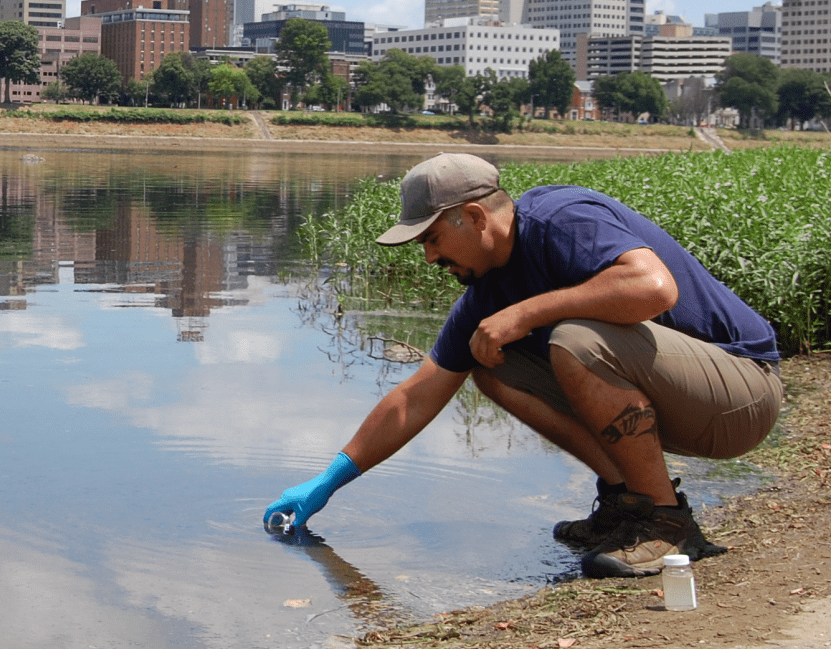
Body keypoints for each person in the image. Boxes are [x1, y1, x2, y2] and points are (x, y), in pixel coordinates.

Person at [264, 152, 782, 578]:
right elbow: (413, 396)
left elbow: (653, 287)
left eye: (431, 239)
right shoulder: (484, 292)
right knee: (488, 364)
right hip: (681, 400)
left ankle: (667, 525)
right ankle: (629, 503)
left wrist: (527, 312)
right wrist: (326, 482)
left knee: (575, 340)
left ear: (471, 216)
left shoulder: (561, 218)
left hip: (742, 394)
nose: (428, 258)